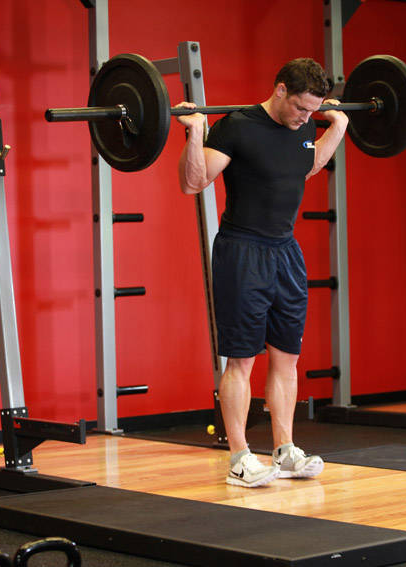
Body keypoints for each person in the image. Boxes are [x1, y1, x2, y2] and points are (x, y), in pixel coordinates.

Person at [175, 58, 348, 488]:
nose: (306, 118)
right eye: (301, 108)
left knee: (287, 356)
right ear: (280, 91)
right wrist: (195, 133)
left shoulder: (305, 127)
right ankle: (239, 457)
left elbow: (305, 168)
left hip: (286, 253)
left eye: (313, 111)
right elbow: (193, 184)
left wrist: (337, 129)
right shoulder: (237, 126)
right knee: (241, 359)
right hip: (242, 252)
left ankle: (285, 450)